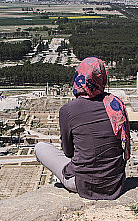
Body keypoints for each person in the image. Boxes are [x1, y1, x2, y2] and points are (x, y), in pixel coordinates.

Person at [34, 57, 130, 200]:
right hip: (115, 182)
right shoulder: (116, 104)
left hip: (83, 184)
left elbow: (68, 152)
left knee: (40, 147)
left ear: (79, 77)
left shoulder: (68, 110)